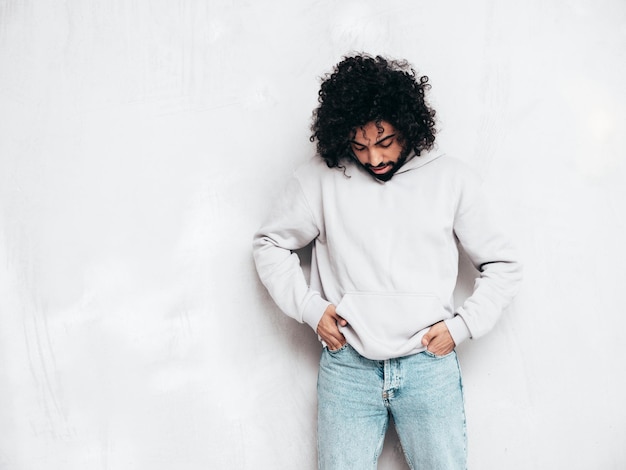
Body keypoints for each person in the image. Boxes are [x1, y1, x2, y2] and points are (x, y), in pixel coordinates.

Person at [252, 53, 522, 470]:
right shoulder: (320, 179)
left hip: (428, 365)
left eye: (385, 142)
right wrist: (310, 309)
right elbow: (270, 243)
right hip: (349, 367)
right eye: (359, 146)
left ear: (408, 126)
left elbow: (503, 264)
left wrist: (462, 326)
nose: (374, 158)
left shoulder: (452, 179)